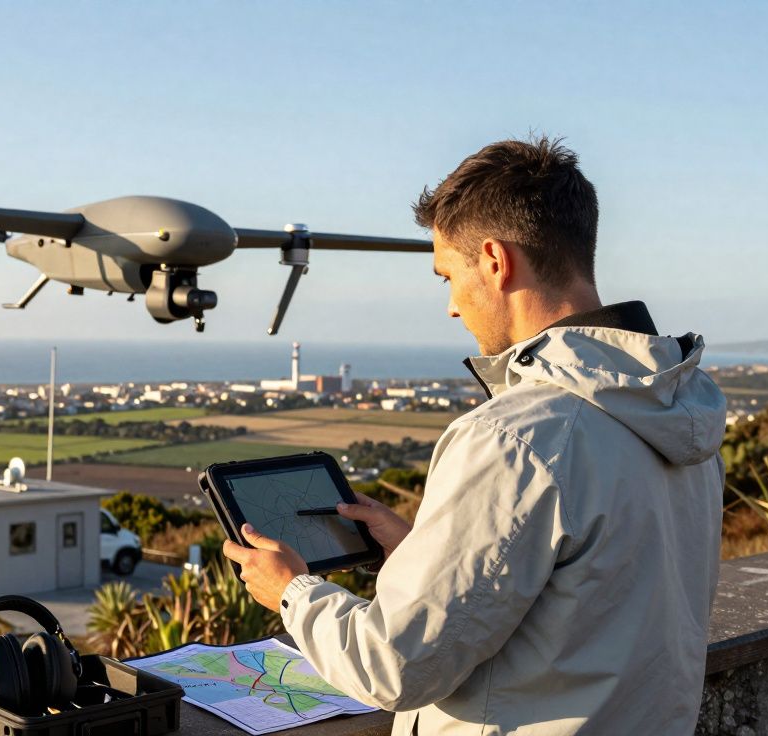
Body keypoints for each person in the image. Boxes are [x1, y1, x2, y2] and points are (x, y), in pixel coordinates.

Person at [223, 137, 725, 735]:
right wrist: (427, 553)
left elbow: (393, 665)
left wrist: (291, 591)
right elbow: (593, 591)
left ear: (494, 259)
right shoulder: (677, 405)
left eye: (447, 277)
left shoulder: (514, 437)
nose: (453, 308)